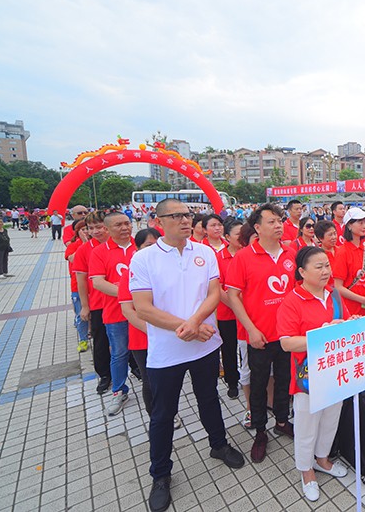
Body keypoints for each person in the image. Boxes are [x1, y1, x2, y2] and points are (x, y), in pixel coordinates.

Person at [129, 199, 245, 512]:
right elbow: (143, 308)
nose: (184, 220)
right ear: (159, 221)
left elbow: (213, 293)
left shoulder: (204, 252)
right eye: (176, 216)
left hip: (204, 345)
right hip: (166, 351)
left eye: (187, 215)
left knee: (208, 398)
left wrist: (194, 324)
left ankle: (218, 445)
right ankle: (160, 474)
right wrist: (189, 327)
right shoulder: (144, 258)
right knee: (163, 413)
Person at [277, 247, 350, 501]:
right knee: (307, 424)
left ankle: (322, 459)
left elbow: (345, 325)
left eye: (327, 265)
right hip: (307, 376)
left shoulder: (334, 294)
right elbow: (287, 343)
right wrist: (323, 335)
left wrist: (347, 325)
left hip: (335, 370)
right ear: (302, 271)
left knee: (330, 418)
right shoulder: (292, 301)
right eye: (318, 267)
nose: (325, 271)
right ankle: (306, 470)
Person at [227, 203, 296, 463]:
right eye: (272, 222)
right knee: (258, 385)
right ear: (257, 227)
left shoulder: (291, 253)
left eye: (280, 221)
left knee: (284, 380)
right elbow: (233, 296)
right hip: (259, 336)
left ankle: (281, 421)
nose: (278, 225)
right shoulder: (244, 257)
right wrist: (251, 329)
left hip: (287, 334)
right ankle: (260, 431)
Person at [90, 212, 137, 416]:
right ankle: (119, 390)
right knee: (119, 353)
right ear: (107, 229)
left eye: (127, 223)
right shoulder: (100, 252)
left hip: (144, 312)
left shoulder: (141, 246)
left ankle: (155, 388)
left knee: (150, 351)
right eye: (119, 225)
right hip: (115, 314)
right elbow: (98, 282)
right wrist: (130, 293)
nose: (125, 228)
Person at [118, 228, 162, 418]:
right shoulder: (131, 272)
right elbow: (128, 310)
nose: (154, 250)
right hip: (143, 337)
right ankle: (155, 416)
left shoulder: (168, 270)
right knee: (150, 379)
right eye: (148, 245)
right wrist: (153, 332)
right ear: (137, 249)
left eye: (158, 245)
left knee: (167, 379)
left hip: (169, 335)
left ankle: (169, 411)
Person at [74, 213, 112, 394]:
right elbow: (81, 280)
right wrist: (85, 306)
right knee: (101, 340)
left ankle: (134, 366)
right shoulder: (84, 250)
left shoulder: (121, 244)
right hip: (98, 303)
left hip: (124, 301)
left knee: (129, 336)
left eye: (99, 226)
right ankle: (104, 374)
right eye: (91, 228)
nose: (95, 231)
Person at [333, 207, 365, 316]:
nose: (364, 226)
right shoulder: (343, 252)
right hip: (352, 311)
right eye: (360, 223)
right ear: (349, 225)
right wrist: (363, 300)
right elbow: (338, 287)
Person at [216, 219, 244, 401]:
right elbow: (218, 289)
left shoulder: (248, 254)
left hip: (249, 313)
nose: (242, 237)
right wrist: (237, 306)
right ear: (227, 237)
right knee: (229, 349)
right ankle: (232, 382)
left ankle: (247, 378)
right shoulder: (219, 258)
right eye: (238, 234)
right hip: (227, 313)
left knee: (246, 349)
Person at [65, 221, 90, 353]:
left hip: (94, 286)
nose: (86, 232)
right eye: (83, 229)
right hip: (78, 286)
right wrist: (84, 245)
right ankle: (83, 339)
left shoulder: (96, 244)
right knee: (82, 314)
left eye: (87, 229)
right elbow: (72, 258)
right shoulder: (74, 245)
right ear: (77, 232)